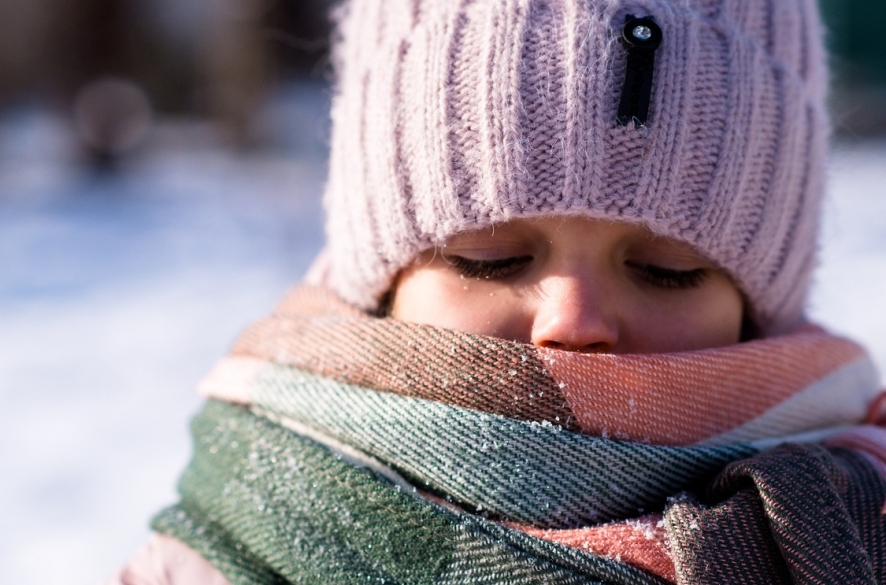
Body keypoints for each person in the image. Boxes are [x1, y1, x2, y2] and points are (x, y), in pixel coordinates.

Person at [108, 0, 886, 583]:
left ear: (758, 307)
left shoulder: (859, 522)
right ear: (382, 287)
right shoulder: (218, 555)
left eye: (666, 268)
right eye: (491, 256)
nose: (573, 320)